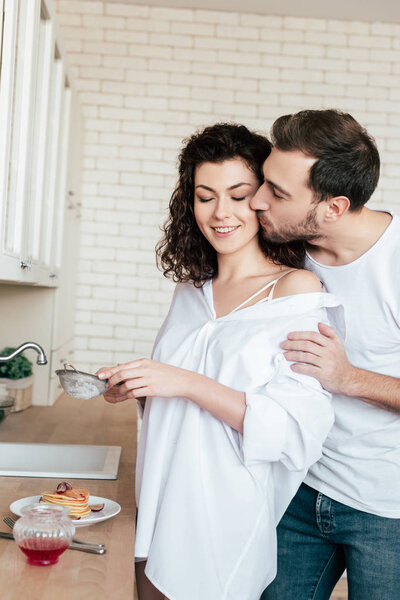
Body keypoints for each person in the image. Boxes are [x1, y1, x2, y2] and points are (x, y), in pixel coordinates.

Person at [97, 123, 342, 600]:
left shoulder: (295, 291)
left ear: (263, 199)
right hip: (162, 496)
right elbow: (174, 398)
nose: (220, 212)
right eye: (205, 196)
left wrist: (184, 381)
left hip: (225, 512)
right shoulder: (189, 293)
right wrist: (137, 387)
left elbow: (294, 429)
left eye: (238, 194)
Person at [252, 109, 400, 600]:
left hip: (387, 507)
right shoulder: (283, 250)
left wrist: (349, 377)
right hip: (296, 488)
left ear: (334, 207)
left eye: (277, 192)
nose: (256, 201)